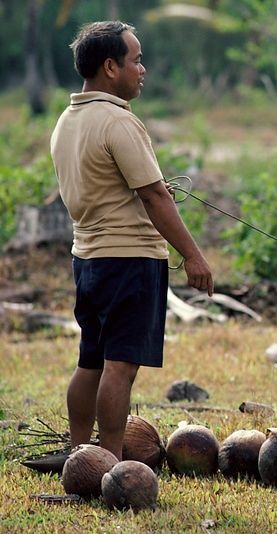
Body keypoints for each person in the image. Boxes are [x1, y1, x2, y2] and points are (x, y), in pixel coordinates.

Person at [50, 21, 213, 460]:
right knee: (120, 367)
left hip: (88, 259)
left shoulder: (67, 121)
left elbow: (109, 187)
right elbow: (154, 195)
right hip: (130, 260)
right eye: (136, 60)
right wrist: (193, 256)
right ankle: (113, 462)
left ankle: (81, 455)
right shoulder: (120, 122)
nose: (143, 69)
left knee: (91, 361)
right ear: (110, 67)